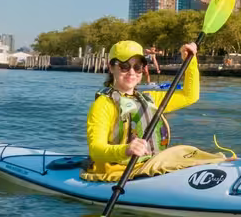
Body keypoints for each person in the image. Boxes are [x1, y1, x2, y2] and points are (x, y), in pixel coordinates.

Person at [82, 40, 221, 181]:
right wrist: (125, 150)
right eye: (124, 66)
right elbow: (95, 150)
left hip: (150, 163)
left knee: (190, 153)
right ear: (111, 68)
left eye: (137, 67)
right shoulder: (103, 105)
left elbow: (190, 96)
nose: (131, 72)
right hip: (118, 172)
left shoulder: (150, 98)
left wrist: (190, 61)